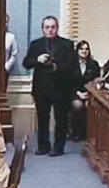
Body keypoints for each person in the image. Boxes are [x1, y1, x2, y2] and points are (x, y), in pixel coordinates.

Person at [22, 16, 75, 156]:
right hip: (41, 88)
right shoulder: (35, 44)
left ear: (57, 28)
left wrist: (56, 66)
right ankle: (43, 146)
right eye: (47, 27)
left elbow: (71, 66)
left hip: (60, 87)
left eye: (53, 27)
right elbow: (26, 63)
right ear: (43, 29)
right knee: (42, 119)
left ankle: (58, 147)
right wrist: (37, 60)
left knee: (61, 119)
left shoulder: (67, 44)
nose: (50, 30)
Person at [68, 40, 100, 141]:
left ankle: (87, 133)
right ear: (77, 50)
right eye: (81, 49)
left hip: (89, 93)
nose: (84, 51)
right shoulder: (71, 64)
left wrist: (89, 93)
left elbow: (96, 81)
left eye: (86, 49)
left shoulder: (94, 64)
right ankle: (75, 132)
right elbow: (67, 83)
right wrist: (78, 94)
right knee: (78, 105)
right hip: (73, 93)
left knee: (89, 105)